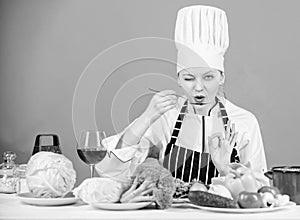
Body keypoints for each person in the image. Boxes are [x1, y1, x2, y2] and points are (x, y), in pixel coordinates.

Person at [96, 5, 269, 188]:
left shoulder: (244, 122)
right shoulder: (167, 117)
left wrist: (226, 169)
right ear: (178, 79)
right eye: (189, 78)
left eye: (208, 77)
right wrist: (146, 118)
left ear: (222, 77)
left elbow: (259, 189)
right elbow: (110, 170)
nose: (198, 88)